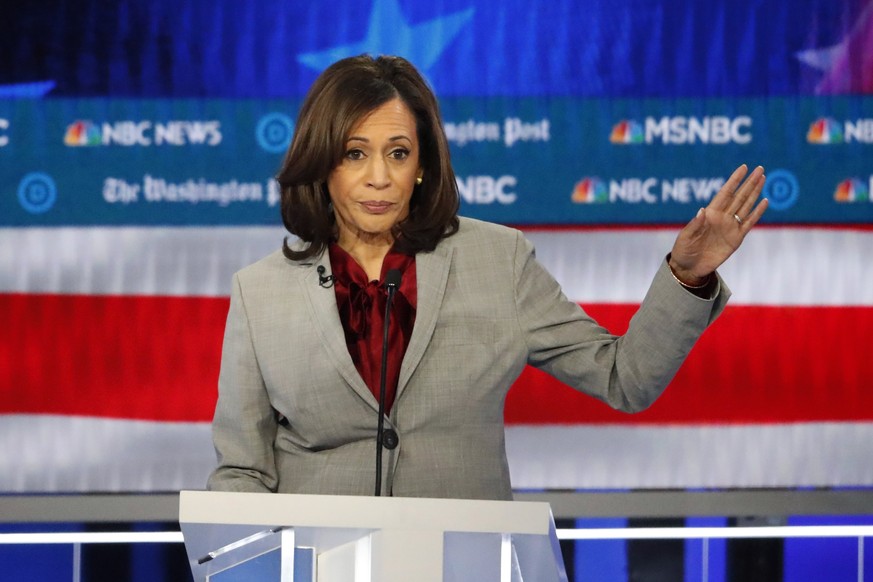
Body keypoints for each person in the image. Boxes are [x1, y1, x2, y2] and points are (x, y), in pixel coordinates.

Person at [207, 54, 768, 500]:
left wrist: (686, 276)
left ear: (422, 164)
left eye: (397, 153)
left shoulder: (497, 260)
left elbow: (625, 378)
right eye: (355, 154)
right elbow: (241, 473)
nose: (378, 178)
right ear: (322, 160)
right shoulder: (261, 293)